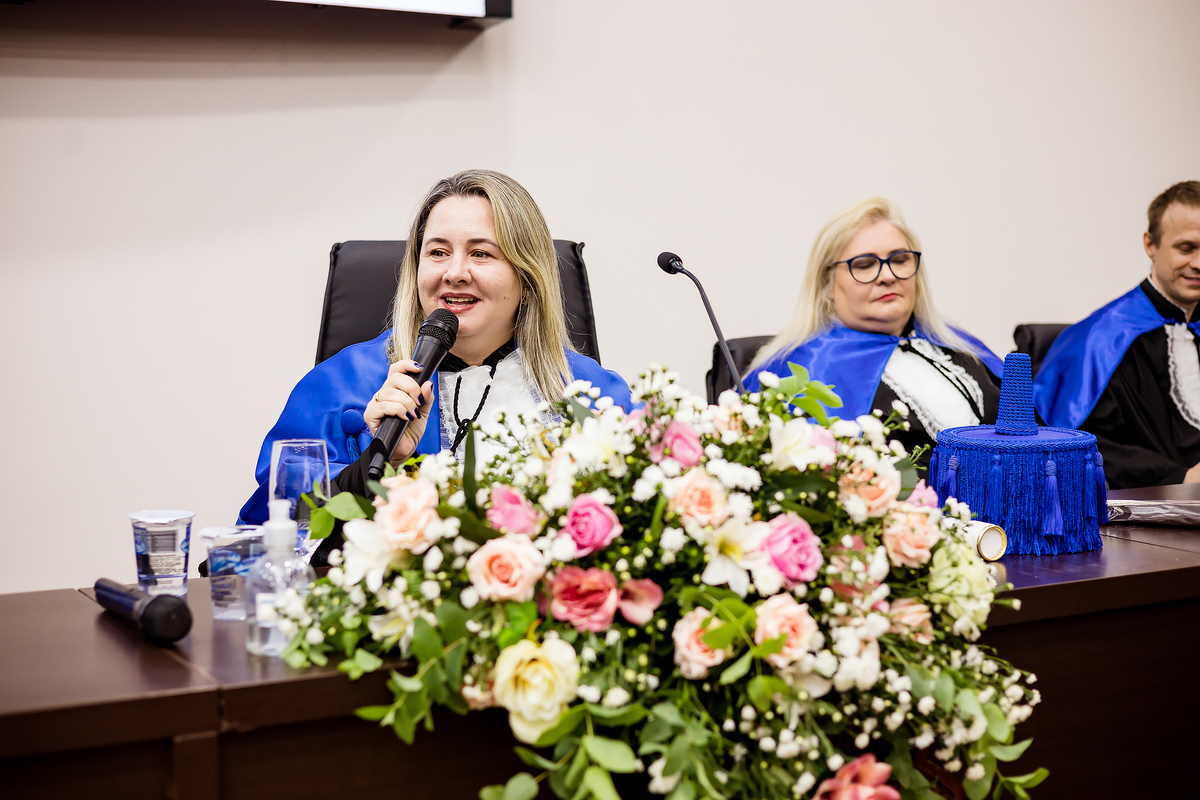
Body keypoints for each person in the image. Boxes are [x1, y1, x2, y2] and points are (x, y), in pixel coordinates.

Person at [238, 169, 632, 553]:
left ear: (527, 279)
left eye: (481, 253)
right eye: (438, 252)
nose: (455, 273)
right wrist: (382, 461)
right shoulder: (339, 385)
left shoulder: (595, 394)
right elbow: (270, 536)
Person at [745, 198, 1004, 467]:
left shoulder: (956, 343)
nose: (887, 276)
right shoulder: (804, 367)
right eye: (865, 265)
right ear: (828, 284)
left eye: (900, 260)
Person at [1034, 180, 1200, 489]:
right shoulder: (1099, 339)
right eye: (1186, 248)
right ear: (1151, 245)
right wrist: (1181, 477)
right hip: (1152, 505)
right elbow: (1078, 443)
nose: (1198, 263)